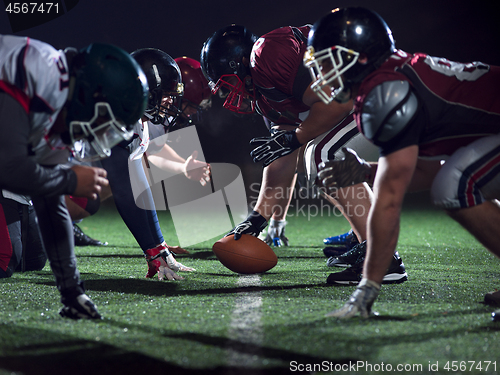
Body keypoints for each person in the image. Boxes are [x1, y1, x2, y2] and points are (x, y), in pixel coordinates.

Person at [306, 7, 500, 320]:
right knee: (454, 180)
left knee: (457, 184)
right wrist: (368, 171)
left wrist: (366, 290)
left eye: (330, 61)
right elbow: (423, 171)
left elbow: (388, 201)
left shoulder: (386, 92)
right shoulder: (392, 80)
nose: (322, 72)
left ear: (362, 57)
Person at [200, 24, 407, 284]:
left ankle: (383, 258)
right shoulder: (265, 97)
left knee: (324, 154)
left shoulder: (268, 54)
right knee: (319, 157)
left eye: (227, 84)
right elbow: (282, 164)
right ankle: (369, 243)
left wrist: (296, 137)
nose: (229, 95)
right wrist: (257, 220)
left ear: (240, 62)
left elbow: (337, 101)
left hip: (385, 88)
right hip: (367, 98)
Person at [0, 35, 149, 319]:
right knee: (4, 260)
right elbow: (8, 168)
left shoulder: (60, 102)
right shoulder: (34, 71)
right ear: (93, 96)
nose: (103, 134)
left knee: (32, 257)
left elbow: (49, 197)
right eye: (105, 122)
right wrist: (70, 181)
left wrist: (72, 291)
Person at [100, 48, 209, 281]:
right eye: (166, 94)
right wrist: (152, 251)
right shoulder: (116, 118)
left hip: (50, 183)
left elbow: (139, 187)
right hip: (32, 181)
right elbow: (125, 188)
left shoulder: (138, 122)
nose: (170, 102)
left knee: (33, 260)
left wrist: (159, 248)